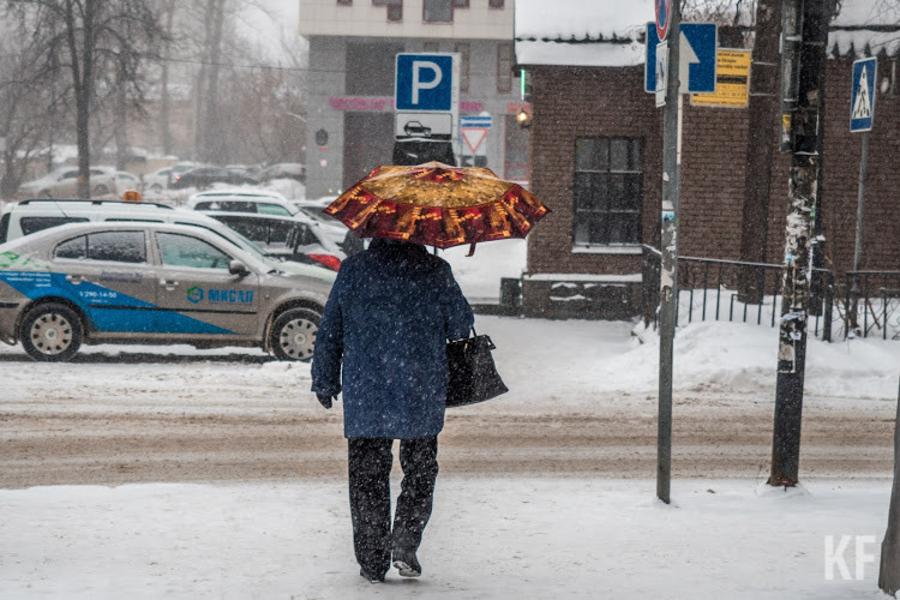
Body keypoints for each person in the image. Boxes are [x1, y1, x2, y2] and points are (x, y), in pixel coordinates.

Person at [311, 237, 474, 583]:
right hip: (420, 388)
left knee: (367, 479)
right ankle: (404, 540)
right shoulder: (434, 271)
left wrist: (324, 379)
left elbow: (331, 331)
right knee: (420, 471)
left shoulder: (354, 270)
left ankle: (372, 561)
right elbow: (460, 324)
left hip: (367, 390)